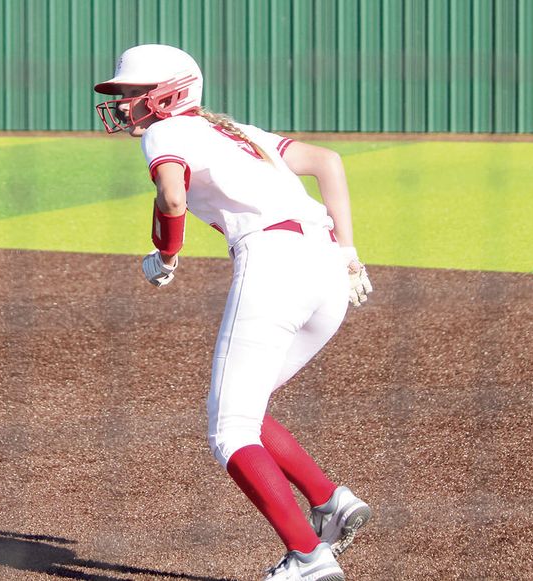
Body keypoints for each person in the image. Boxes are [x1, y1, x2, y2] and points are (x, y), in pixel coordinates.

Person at [93, 45, 374, 581]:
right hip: (326, 270)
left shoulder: (165, 132)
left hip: (273, 264)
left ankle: (309, 558)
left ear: (169, 95)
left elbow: (172, 199)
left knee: (228, 428)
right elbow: (328, 162)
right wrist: (348, 252)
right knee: (247, 407)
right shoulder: (236, 131)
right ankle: (329, 501)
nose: (124, 103)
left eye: (132, 94)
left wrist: (167, 256)